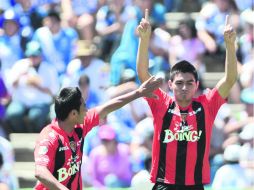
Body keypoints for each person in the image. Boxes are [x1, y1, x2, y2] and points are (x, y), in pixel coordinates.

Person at [136, 9, 237, 189]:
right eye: (179, 83)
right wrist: (144, 40)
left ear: (196, 85)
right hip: (164, 184)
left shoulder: (206, 105)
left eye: (190, 83)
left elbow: (229, 80)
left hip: (194, 185)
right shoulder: (161, 103)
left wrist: (230, 45)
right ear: (170, 84)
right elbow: (144, 75)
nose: (184, 87)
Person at [33, 75, 162, 190]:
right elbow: (40, 172)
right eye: (84, 106)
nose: (87, 109)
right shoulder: (49, 137)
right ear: (73, 114)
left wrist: (138, 93)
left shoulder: (80, 126)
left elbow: (108, 107)